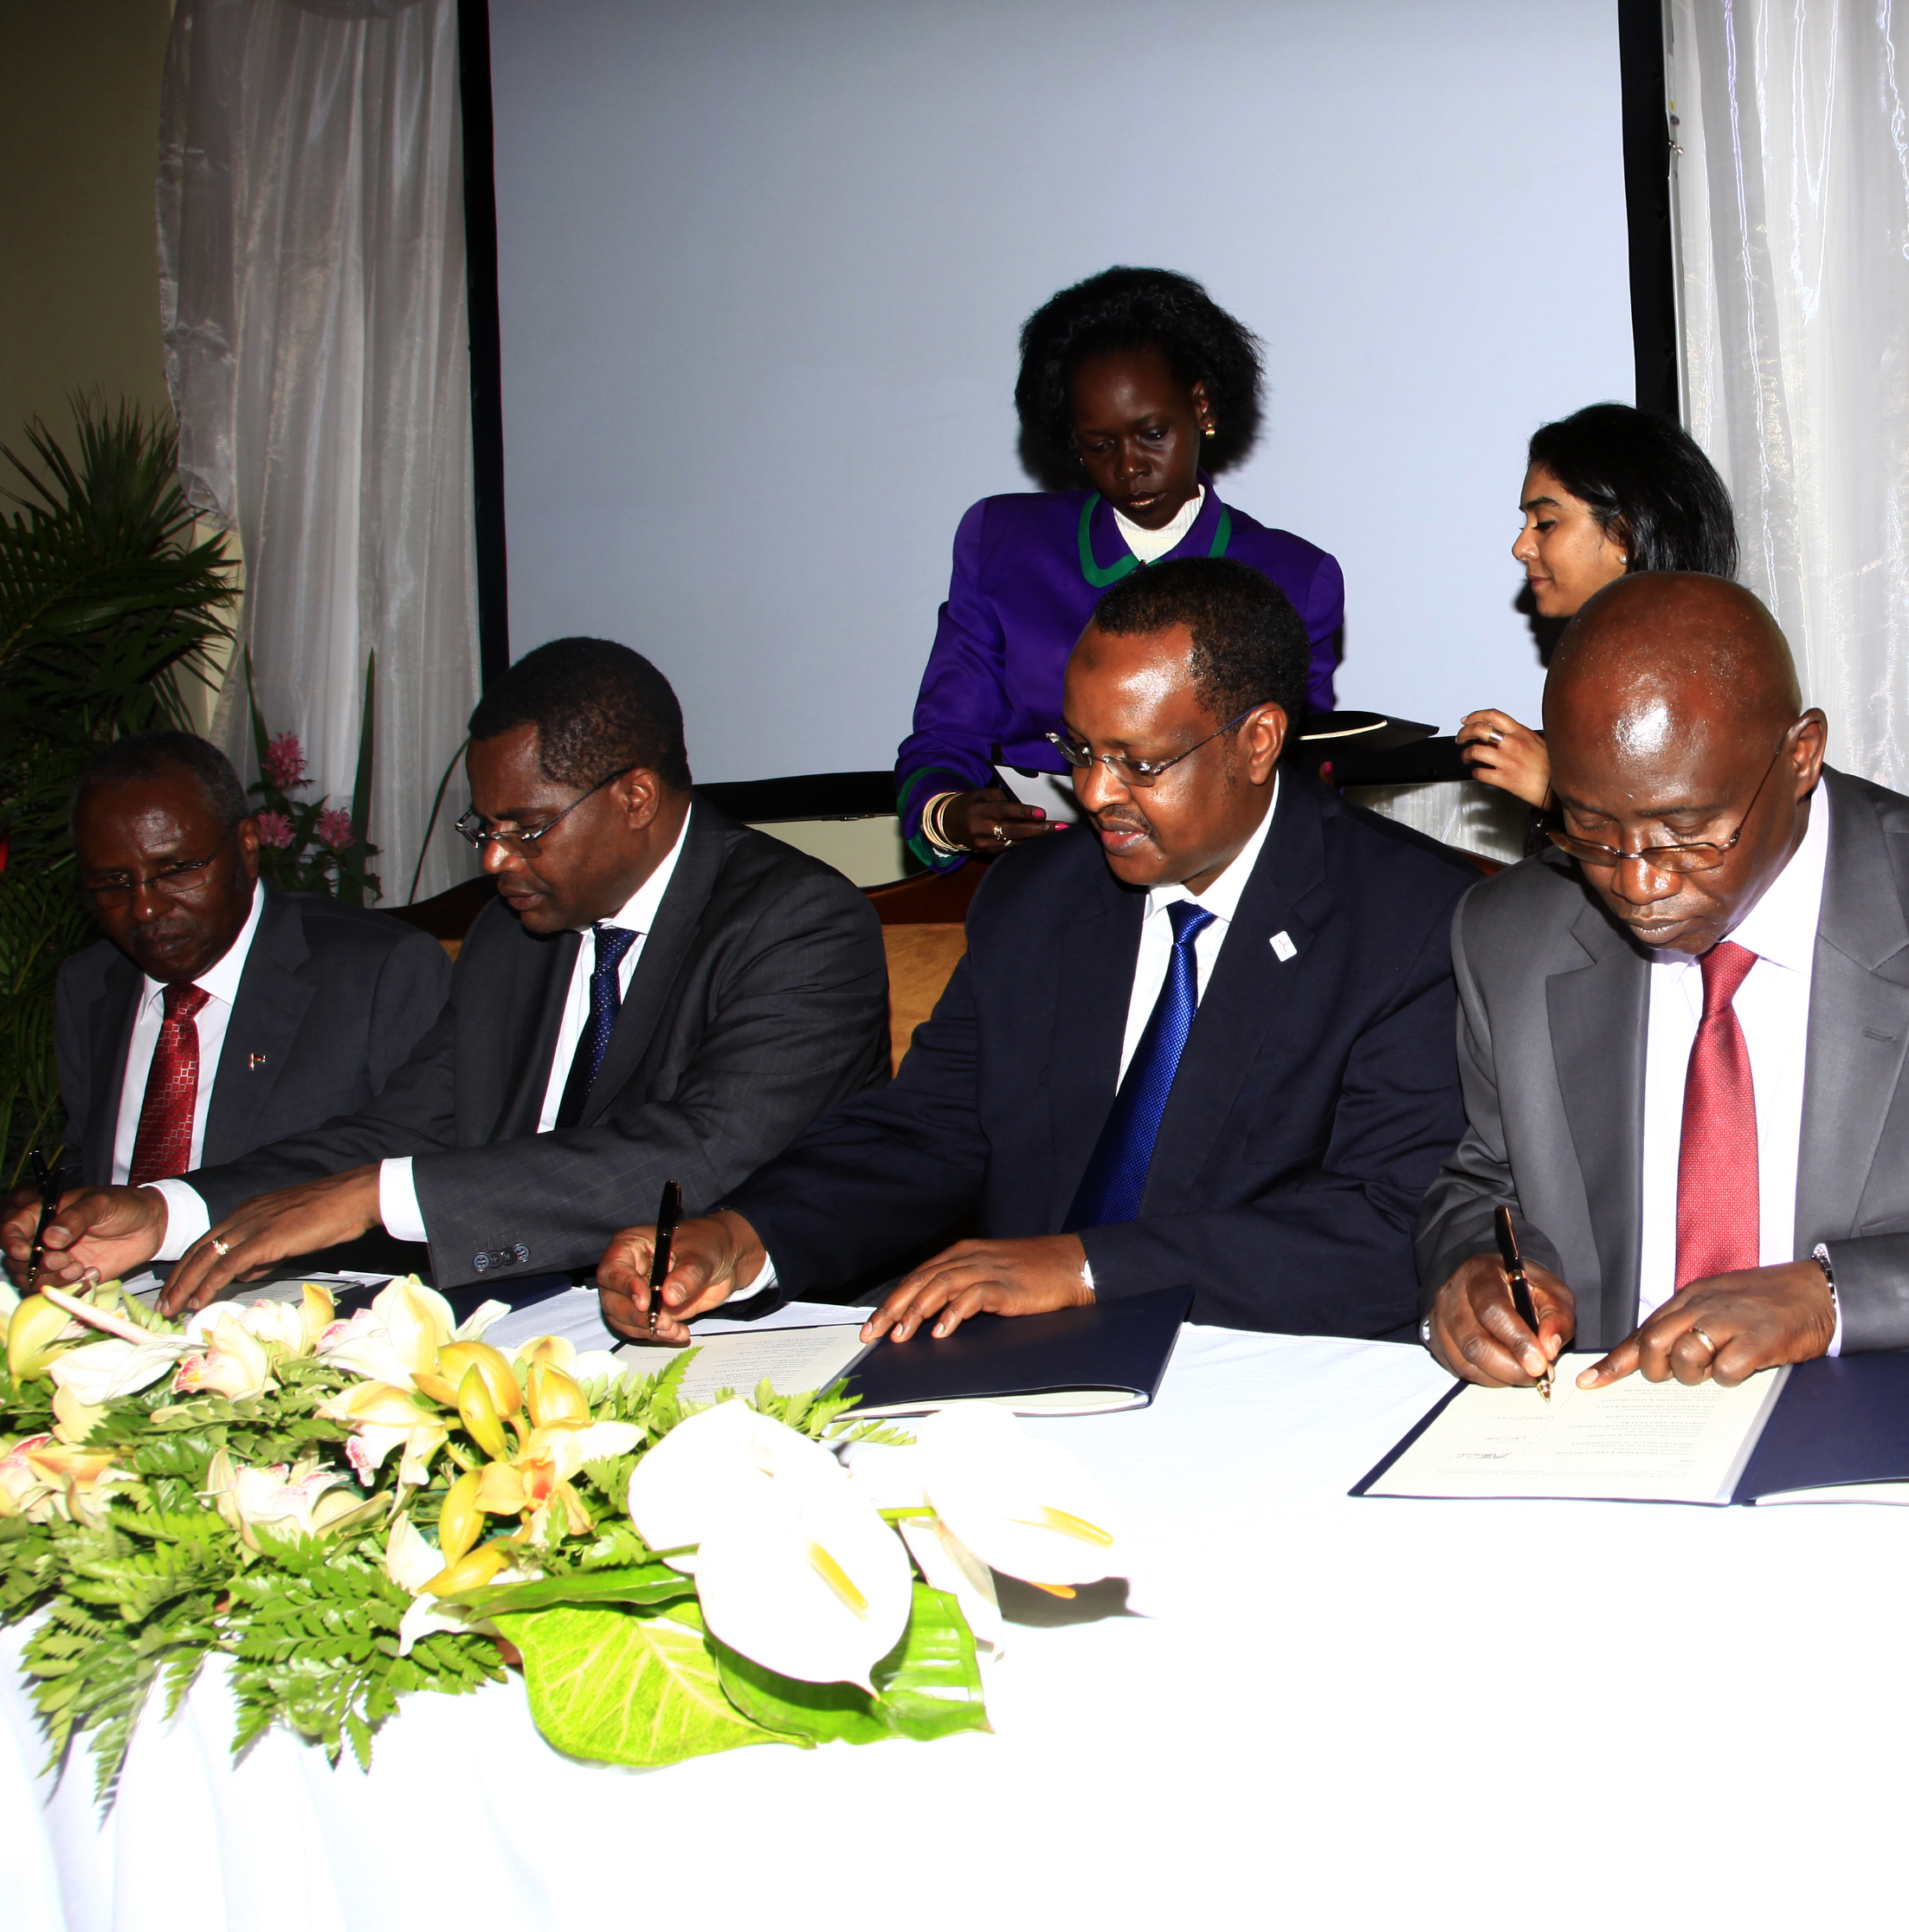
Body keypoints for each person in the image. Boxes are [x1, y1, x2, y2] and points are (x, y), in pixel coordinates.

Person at [600, 559, 1478, 1346]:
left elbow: (1383, 1222)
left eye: (1138, 761)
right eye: (1081, 749)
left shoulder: (1410, 920)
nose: (1094, 793)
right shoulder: (1037, 898)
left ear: (1258, 740)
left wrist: (1085, 1267)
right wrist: (748, 1236)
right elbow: (931, 1130)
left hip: (1266, 1374)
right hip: (1015, 1381)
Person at [1418, 572, 1909, 1389]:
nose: (1637, 884)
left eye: (1690, 831)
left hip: (1898, 1451)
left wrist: (1836, 1301)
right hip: (1603, 1449)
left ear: (1801, 755)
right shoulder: (1511, 938)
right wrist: (1474, 1275)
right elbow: (1487, 1187)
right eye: (1590, 829)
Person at [32, 639, 891, 1310]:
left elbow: (699, 1153)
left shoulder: (796, 924)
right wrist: (170, 1209)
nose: (493, 857)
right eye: (483, 826)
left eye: (525, 828)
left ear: (634, 796)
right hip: (518, 1322)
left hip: (736, 1323)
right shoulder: (512, 935)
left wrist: (380, 1196)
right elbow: (406, 1122)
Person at [893, 266, 1344, 868]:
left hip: (1212, 881)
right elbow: (947, 734)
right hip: (1029, 874)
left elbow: (1293, 772)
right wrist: (949, 815)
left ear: (1202, 406)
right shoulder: (1001, 543)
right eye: (1099, 445)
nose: (1129, 466)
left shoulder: (1292, 575)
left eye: (1152, 434)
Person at [3, 733, 448, 1279]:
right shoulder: (91, 982)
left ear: (247, 843)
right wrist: (51, 1216)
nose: (143, 907)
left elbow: (415, 1162)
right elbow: (91, 1158)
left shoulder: (378, 970)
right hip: (111, 1310)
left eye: (176, 870)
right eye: (112, 883)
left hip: (294, 1311)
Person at [1457, 404, 1738, 812]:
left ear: (1624, 535)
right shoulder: (1604, 662)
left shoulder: (1695, 677)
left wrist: (1552, 789)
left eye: (1546, 523)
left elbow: (1678, 851)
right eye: (1525, 525)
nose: (1520, 548)